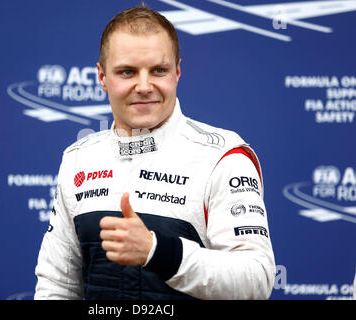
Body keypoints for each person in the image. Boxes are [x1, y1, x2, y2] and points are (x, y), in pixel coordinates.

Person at [34, 5, 276, 300]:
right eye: (127, 72)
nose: (144, 86)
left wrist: (158, 251)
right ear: (101, 77)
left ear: (177, 72)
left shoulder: (223, 157)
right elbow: (57, 285)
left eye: (158, 70)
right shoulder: (78, 159)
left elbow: (256, 280)